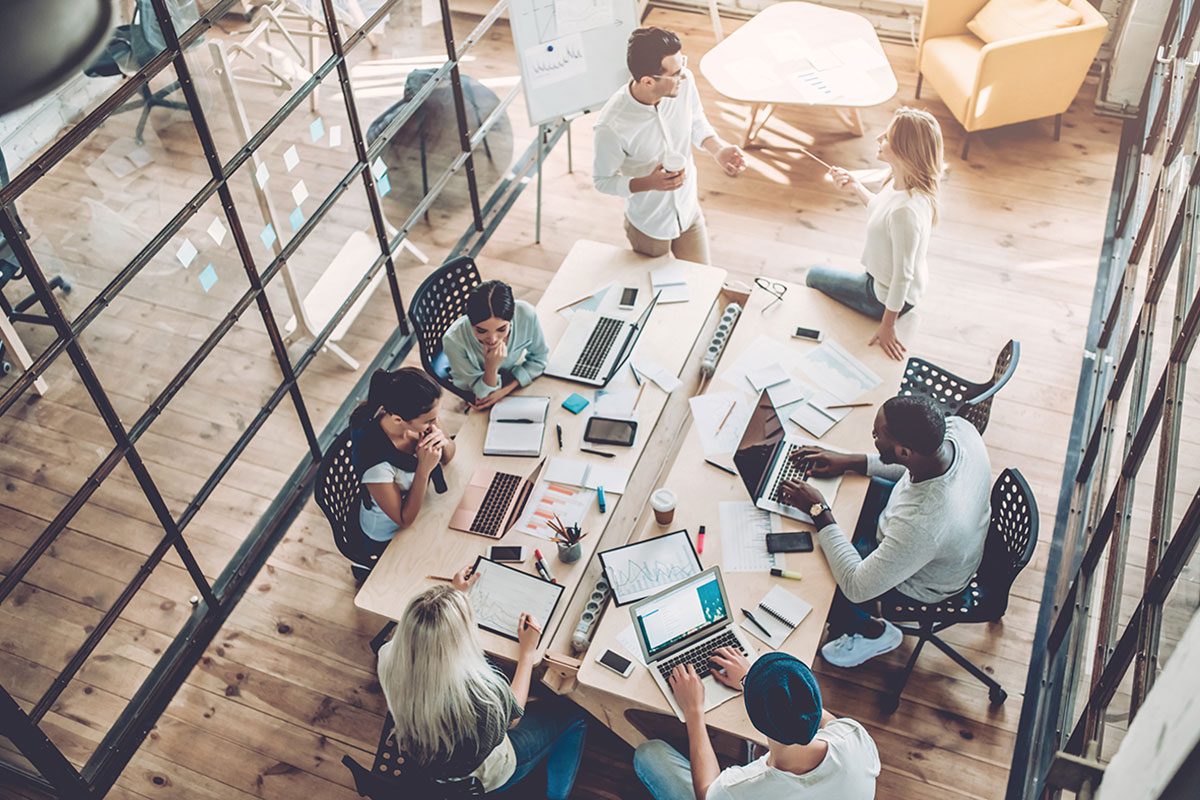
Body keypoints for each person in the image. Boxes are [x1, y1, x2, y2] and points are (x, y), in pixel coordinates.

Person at [781, 395, 991, 668]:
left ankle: (873, 632)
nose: (872, 436)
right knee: (841, 516)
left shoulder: (924, 523)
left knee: (821, 579)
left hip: (924, 581)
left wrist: (818, 510)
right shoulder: (958, 430)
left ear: (903, 451)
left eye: (877, 435)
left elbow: (858, 587)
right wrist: (849, 461)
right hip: (917, 526)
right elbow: (909, 469)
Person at [377, 572, 588, 797]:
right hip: (484, 776)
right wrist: (527, 653)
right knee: (575, 717)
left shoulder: (388, 656)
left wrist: (455, 596)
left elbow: (428, 639)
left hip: (425, 757)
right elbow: (514, 717)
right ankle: (557, 795)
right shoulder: (481, 695)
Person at [592, 27, 746, 265]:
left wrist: (718, 149)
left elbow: (695, 118)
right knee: (657, 292)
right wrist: (648, 183)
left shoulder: (684, 82)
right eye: (675, 73)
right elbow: (603, 181)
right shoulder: (611, 126)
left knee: (703, 281)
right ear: (647, 81)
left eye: (682, 65)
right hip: (649, 225)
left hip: (688, 211)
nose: (682, 76)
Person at [633, 651, 879, 799]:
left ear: (757, 719)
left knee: (648, 753)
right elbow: (815, 712)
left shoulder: (741, 789)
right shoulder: (854, 736)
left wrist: (694, 711)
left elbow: (707, 793)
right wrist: (750, 680)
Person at [805, 107, 945, 360]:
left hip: (881, 296)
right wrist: (855, 186)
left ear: (904, 150)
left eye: (887, 136)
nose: (878, 138)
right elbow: (882, 212)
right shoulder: (903, 182)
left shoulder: (906, 213)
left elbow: (902, 277)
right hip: (890, 282)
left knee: (813, 276)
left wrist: (887, 325)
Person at [349, 367, 456, 542]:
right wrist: (423, 468)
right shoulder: (376, 464)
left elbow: (448, 456)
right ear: (398, 419)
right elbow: (403, 519)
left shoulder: (422, 416)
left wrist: (441, 439)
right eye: (429, 420)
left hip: (423, 506)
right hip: (390, 533)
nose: (435, 423)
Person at [442, 279, 549, 411]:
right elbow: (483, 396)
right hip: (475, 385)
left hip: (507, 381)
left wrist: (505, 390)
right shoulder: (453, 341)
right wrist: (491, 367)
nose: (492, 339)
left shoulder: (526, 314)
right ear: (470, 321)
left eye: (502, 329)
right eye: (481, 330)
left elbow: (540, 358)